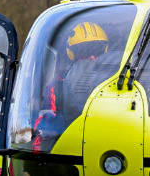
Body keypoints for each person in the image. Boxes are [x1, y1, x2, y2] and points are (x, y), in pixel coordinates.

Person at [31, 21, 113, 151]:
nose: (91, 57)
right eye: (84, 52)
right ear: (72, 54)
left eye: (97, 50)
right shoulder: (58, 85)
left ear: (105, 50)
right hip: (70, 148)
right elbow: (45, 125)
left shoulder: (116, 79)